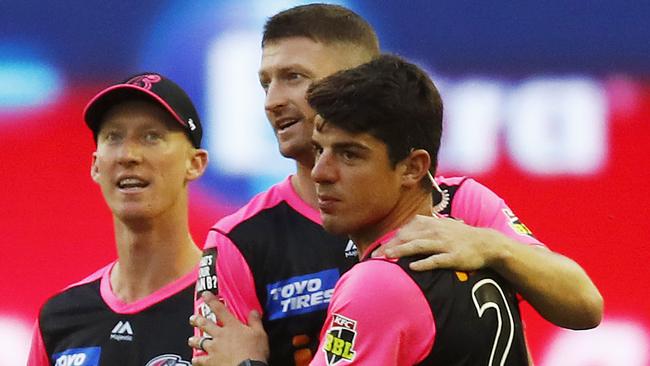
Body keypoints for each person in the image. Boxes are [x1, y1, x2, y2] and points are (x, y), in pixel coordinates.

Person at [189, 4, 602, 365]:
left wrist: (492, 246)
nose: (272, 101)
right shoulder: (236, 241)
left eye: (294, 77)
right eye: (266, 82)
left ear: (358, 79)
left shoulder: (456, 203)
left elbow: (585, 306)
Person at [307, 53, 530, 365]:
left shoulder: (377, 285)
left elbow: (586, 307)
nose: (320, 172)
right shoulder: (479, 258)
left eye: (349, 155)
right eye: (319, 149)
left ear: (412, 168)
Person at [27, 72, 208, 365]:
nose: (128, 155)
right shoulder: (60, 319)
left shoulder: (227, 302)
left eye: (152, 136)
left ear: (195, 163)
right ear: (96, 165)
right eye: (114, 137)